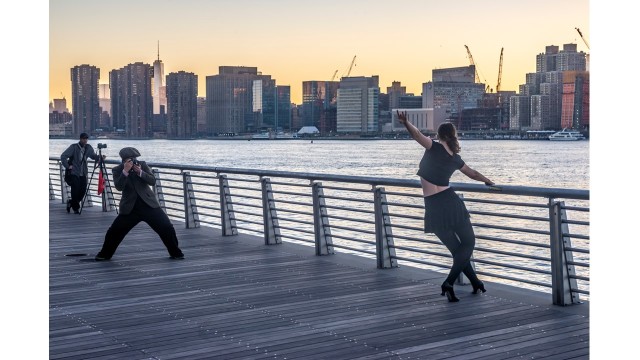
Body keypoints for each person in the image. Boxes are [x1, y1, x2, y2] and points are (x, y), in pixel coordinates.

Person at [397, 110, 495, 302]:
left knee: (457, 249)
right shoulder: (454, 158)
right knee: (467, 244)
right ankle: (452, 282)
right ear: (453, 136)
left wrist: (406, 122)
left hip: (432, 206)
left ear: (439, 135)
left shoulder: (433, 147)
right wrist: (489, 181)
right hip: (450, 202)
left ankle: (474, 283)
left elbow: (416, 135)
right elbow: (473, 174)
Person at [94, 147, 185, 261]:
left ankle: (176, 253)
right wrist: (125, 172)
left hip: (149, 205)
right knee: (115, 231)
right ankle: (104, 254)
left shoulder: (142, 165)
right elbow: (119, 187)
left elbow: (152, 181)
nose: (133, 161)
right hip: (130, 208)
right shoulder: (118, 170)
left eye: (134, 159)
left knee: (166, 227)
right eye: (130, 160)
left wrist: (140, 172)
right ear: (124, 160)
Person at [60, 133, 105, 214]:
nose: (85, 140)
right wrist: (68, 166)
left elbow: (93, 156)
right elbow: (63, 156)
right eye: (84, 139)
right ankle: (75, 208)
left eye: (86, 139)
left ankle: (71, 202)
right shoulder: (73, 147)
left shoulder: (88, 147)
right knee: (75, 190)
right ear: (80, 139)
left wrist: (100, 157)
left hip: (83, 173)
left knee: (83, 190)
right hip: (74, 173)